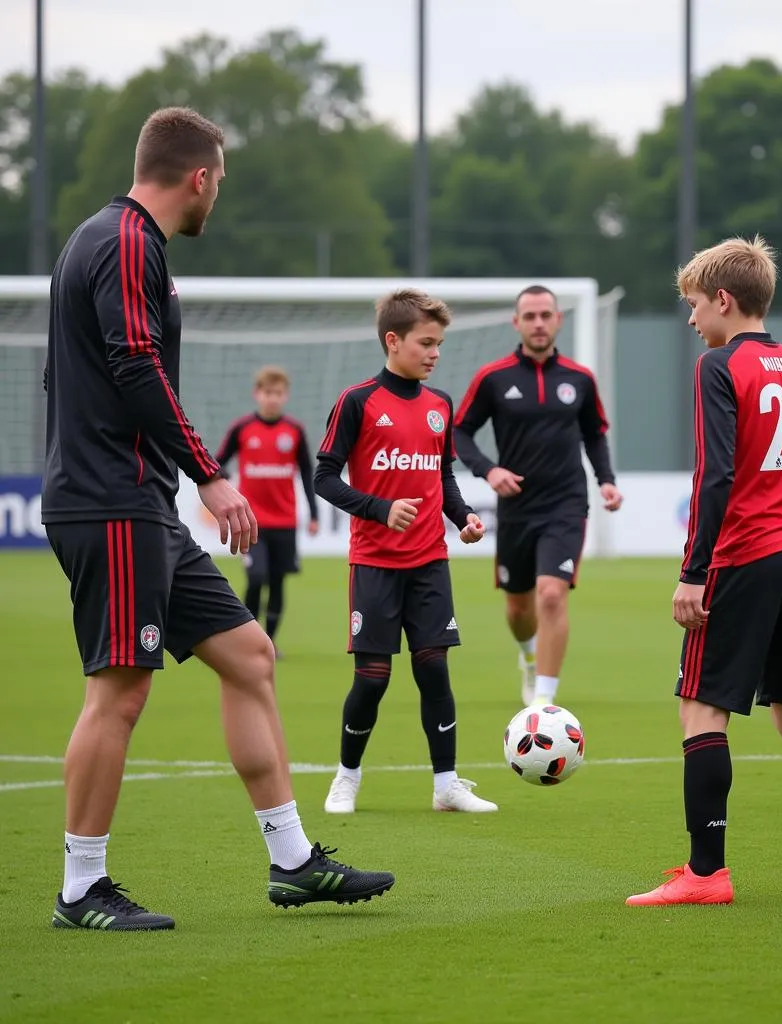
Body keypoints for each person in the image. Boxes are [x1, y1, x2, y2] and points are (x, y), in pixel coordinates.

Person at [42, 107, 394, 931]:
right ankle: (79, 889)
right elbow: (134, 364)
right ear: (198, 177)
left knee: (249, 654)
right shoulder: (126, 241)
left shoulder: (107, 237)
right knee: (120, 692)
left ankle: (294, 862)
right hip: (113, 503)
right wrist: (210, 473)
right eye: (220, 182)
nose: (218, 197)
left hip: (135, 502)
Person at [626, 236, 782, 908]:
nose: (690, 322)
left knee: (702, 705)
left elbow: (717, 474)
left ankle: (706, 874)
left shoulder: (718, 366)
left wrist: (693, 572)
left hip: (747, 553)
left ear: (723, 299)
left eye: (692, 306)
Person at [314, 288, 498, 815]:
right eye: (426, 342)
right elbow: (324, 477)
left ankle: (446, 786)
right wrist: (377, 508)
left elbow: (442, 475)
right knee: (373, 679)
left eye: (439, 343)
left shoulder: (440, 405)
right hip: (374, 562)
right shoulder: (357, 401)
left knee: (434, 669)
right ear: (393, 341)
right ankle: (346, 778)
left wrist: (461, 517)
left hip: (429, 561)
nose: (435, 352)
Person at [453, 285, 623, 707]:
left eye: (546, 314)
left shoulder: (579, 380)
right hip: (516, 509)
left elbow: (594, 434)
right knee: (518, 611)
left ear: (558, 319)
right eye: (529, 316)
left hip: (566, 504)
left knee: (551, 594)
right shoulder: (494, 378)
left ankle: (543, 704)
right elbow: (459, 432)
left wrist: (606, 479)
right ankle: (529, 657)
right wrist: (489, 470)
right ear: (517, 323)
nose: (539, 323)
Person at [216, 365, 320, 657]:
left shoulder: (294, 431)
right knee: (256, 577)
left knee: (277, 581)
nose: (272, 398)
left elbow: (307, 474)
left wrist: (314, 515)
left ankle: (268, 642)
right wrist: (221, 488)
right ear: (257, 394)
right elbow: (217, 462)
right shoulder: (242, 428)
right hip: (252, 522)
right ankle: (247, 639)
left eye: (278, 393)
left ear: (285, 396)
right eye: (267, 393)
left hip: (285, 521)